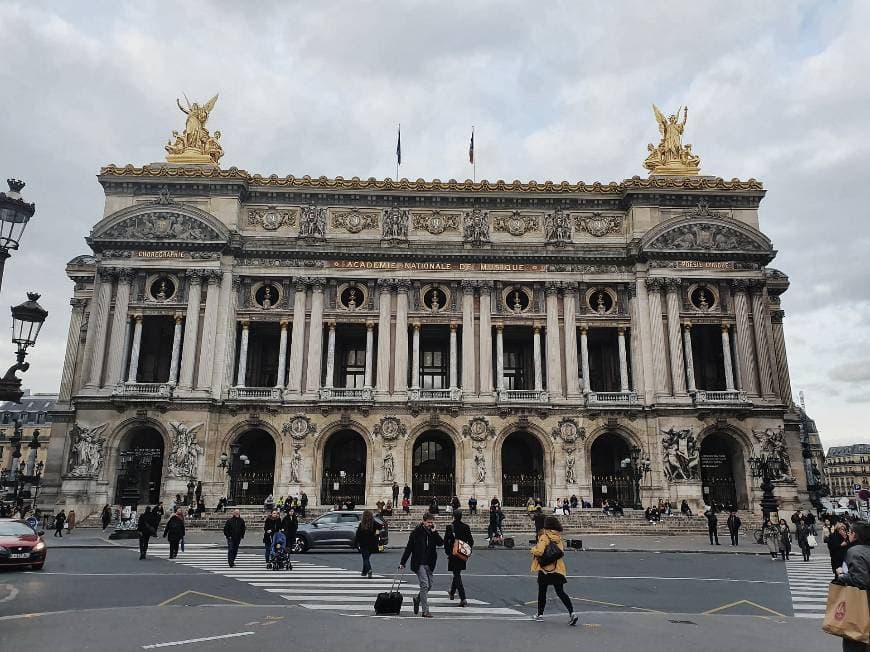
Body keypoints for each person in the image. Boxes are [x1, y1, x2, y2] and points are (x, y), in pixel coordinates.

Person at [530, 515, 578, 626]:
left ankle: (540, 614)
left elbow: (540, 551)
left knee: (542, 592)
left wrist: (533, 550)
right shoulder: (558, 538)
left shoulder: (544, 536)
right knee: (560, 592)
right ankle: (572, 613)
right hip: (558, 568)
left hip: (545, 569)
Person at [399, 512, 443, 618]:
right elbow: (409, 548)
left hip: (429, 563)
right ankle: (425, 611)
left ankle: (418, 599)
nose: (430, 524)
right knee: (424, 584)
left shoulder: (432, 532)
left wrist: (435, 532)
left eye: (432, 522)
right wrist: (402, 562)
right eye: (428, 522)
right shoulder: (416, 532)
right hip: (419, 563)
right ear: (423, 521)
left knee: (430, 585)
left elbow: (441, 543)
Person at [835, 522, 870, 652]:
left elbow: (861, 580)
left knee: (855, 642)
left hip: (860, 604)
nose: (848, 533)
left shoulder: (854, 551)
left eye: (850, 531)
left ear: (855, 535)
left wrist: (842, 575)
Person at [444, 509, 473, 607]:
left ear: (453, 516)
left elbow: (446, 542)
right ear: (461, 516)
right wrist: (467, 551)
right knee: (457, 573)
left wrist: (448, 552)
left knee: (456, 575)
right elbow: (471, 541)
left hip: (453, 554)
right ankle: (452, 592)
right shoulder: (466, 527)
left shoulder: (450, 527)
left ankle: (463, 597)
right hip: (462, 554)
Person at [355, 510, 379, 578]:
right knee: (366, 558)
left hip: (363, 544)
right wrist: (376, 536)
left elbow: (358, 534)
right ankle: (364, 572)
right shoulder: (373, 523)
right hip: (372, 543)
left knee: (365, 558)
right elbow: (379, 529)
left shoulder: (361, 524)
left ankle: (369, 569)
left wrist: (356, 543)